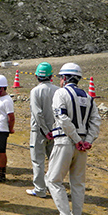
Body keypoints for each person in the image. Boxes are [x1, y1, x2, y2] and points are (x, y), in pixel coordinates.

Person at [46, 63, 101, 215]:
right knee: (77, 183)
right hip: (82, 145)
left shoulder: (60, 93)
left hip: (65, 141)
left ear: (63, 78)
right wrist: (87, 141)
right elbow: (96, 122)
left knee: (53, 180)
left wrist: (76, 139)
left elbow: (61, 117)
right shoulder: (88, 97)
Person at [26, 62, 60, 198]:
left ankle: (40, 189)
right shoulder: (57, 90)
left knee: (38, 161)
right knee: (54, 161)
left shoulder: (35, 91)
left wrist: (46, 131)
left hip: (39, 131)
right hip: (56, 130)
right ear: (51, 75)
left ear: (36, 76)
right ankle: (53, 187)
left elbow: (37, 113)